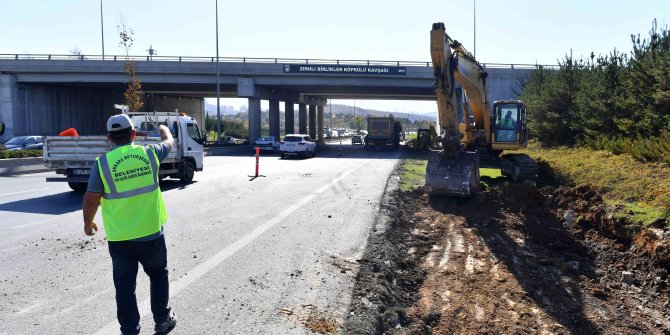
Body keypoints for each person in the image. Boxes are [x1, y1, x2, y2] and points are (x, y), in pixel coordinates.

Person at [82, 114, 177, 335]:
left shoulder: (102, 163)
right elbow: (169, 142)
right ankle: (162, 320)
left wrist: (88, 223)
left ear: (109, 138)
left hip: (120, 238)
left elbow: (91, 198)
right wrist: (164, 129)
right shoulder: (150, 153)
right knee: (158, 274)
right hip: (150, 232)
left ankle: (130, 330)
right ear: (134, 134)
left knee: (125, 286)